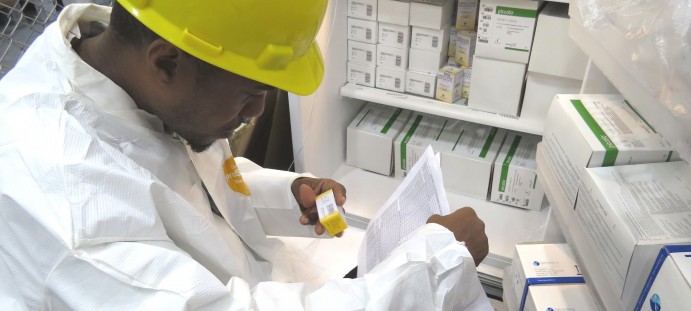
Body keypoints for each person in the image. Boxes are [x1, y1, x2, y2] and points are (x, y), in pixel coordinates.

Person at [0, 1, 490, 309]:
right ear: (166, 63)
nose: (257, 111)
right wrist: (436, 266)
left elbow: (174, 171)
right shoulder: (71, 208)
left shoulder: (125, 66)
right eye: (250, 93)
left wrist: (284, 192)